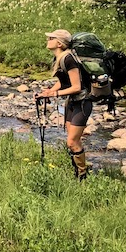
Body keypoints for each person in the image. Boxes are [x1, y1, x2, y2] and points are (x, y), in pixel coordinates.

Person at [37, 29, 92, 180]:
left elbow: (76, 87)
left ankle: (82, 176)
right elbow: (62, 83)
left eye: (51, 38)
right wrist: (48, 92)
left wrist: (55, 94)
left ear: (59, 43)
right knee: (73, 141)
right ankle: (77, 171)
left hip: (82, 102)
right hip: (72, 103)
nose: (48, 39)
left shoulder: (69, 59)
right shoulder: (58, 58)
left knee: (72, 141)